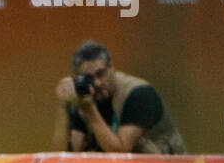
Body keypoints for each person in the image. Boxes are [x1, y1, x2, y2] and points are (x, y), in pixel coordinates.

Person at [52, 41, 187, 154]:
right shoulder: (83, 99)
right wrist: (62, 107)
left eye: (100, 73)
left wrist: (90, 111)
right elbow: (64, 157)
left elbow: (120, 153)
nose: (97, 83)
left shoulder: (139, 94)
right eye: (89, 78)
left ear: (111, 68)